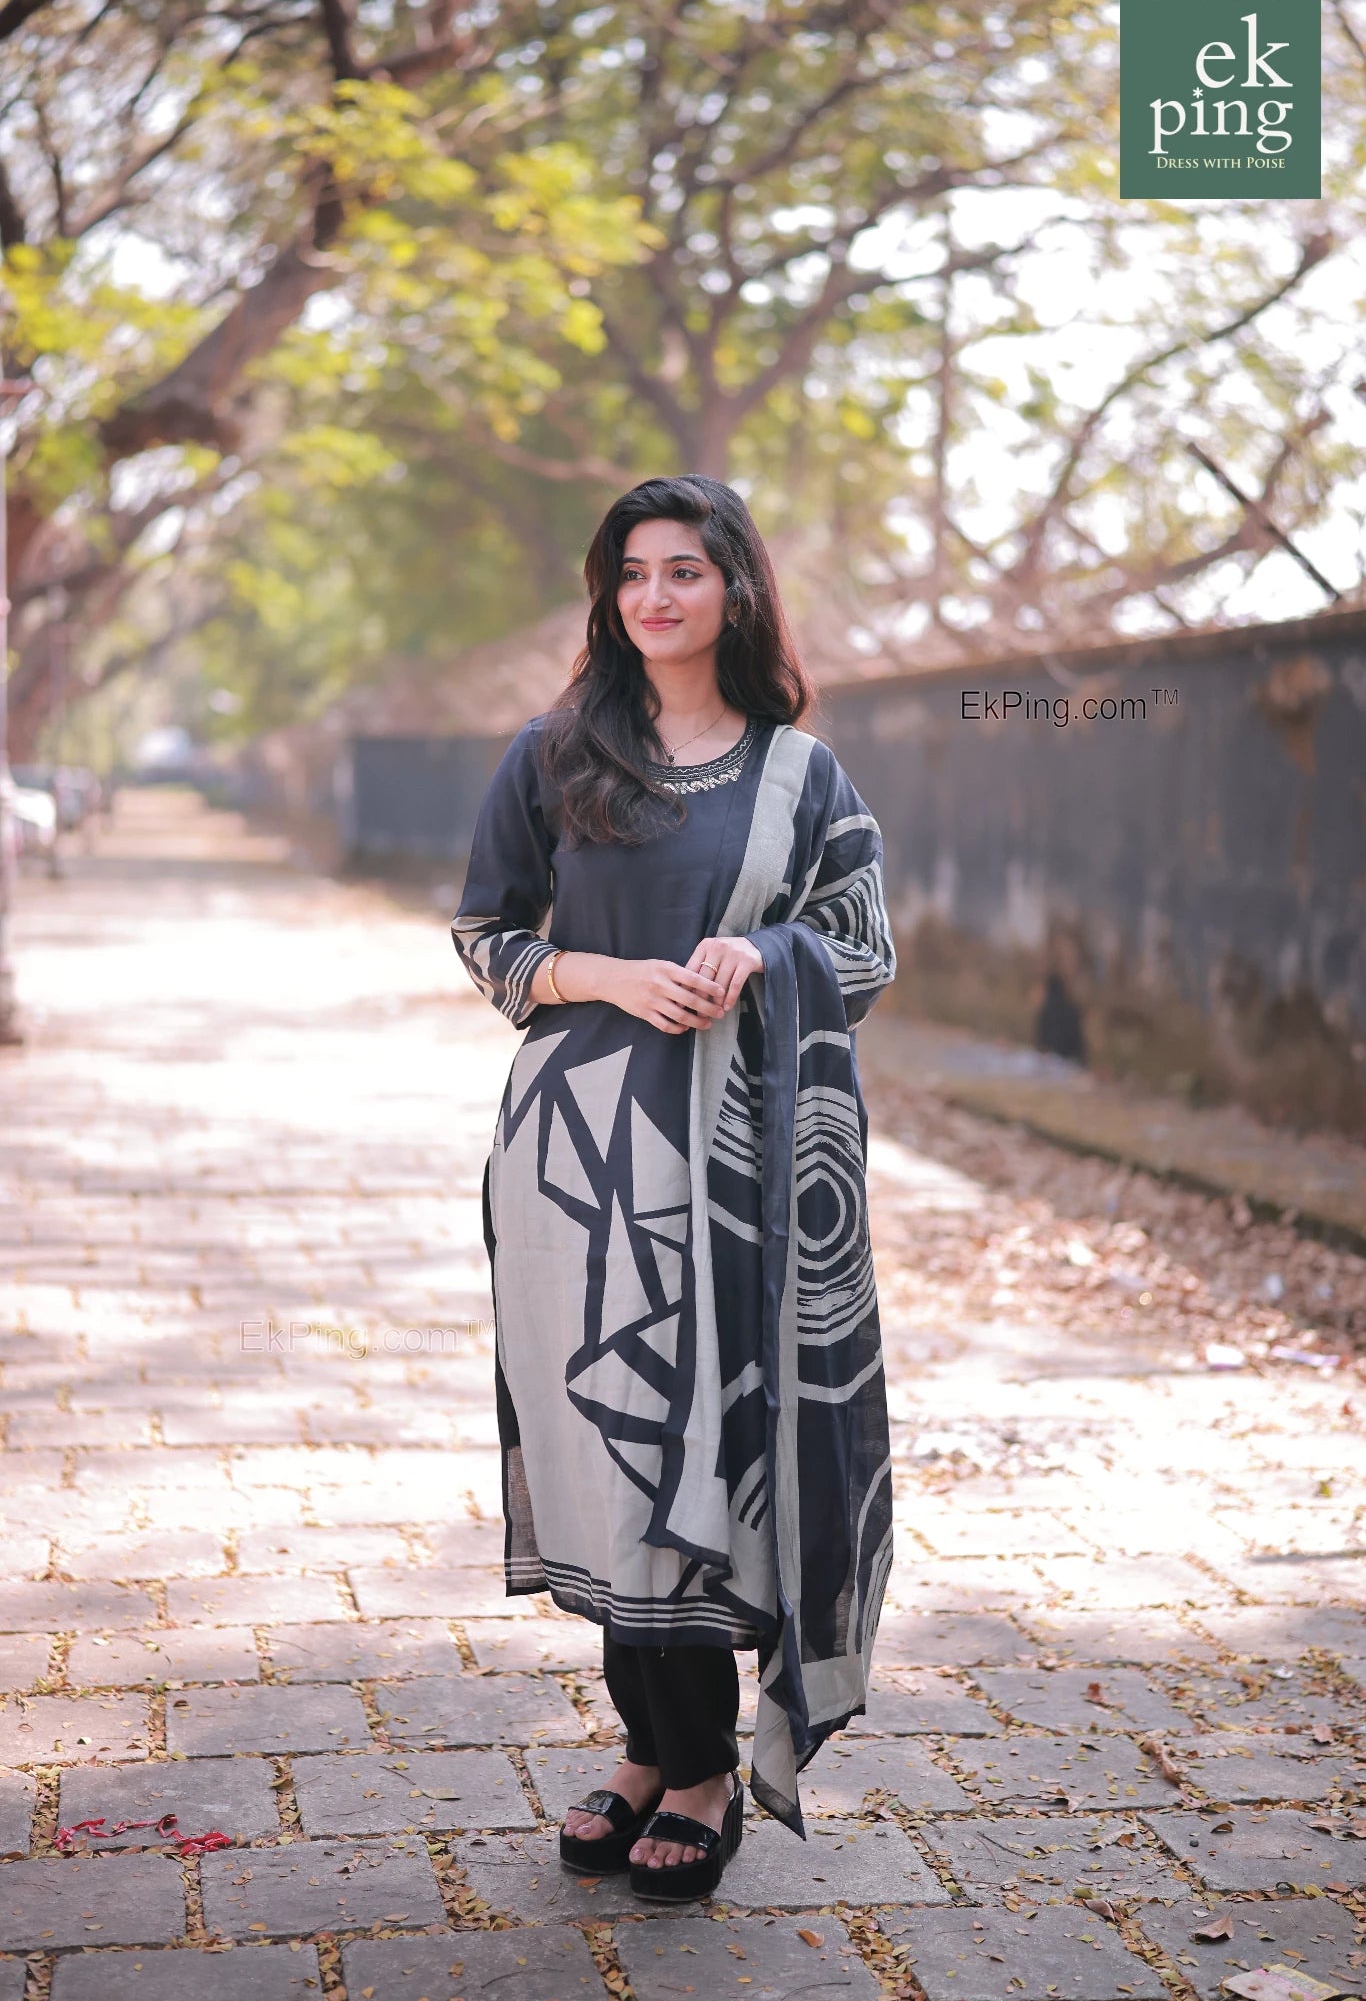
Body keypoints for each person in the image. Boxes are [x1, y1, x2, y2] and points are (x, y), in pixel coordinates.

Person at [451, 473, 896, 1901]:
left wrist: (765, 956)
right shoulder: (553, 751)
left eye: (685, 571)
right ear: (610, 594)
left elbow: (865, 945)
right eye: (634, 572)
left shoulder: (796, 775)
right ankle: (651, 1742)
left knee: (698, 1446)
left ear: (735, 591)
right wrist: (600, 973)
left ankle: (700, 1766)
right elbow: (485, 933)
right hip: (573, 1156)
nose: (656, 595)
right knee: (601, 1444)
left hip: (731, 1165)